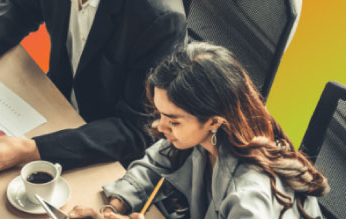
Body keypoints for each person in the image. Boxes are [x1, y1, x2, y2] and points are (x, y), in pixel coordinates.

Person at [68, 42, 330, 219]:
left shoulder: (249, 197)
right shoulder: (201, 137)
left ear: (214, 121)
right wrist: (112, 209)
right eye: (160, 114)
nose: (160, 127)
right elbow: (153, 167)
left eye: (173, 120)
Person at [0, 0, 186, 172]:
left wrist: (33, 151)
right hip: (54, 104)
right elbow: (20, 8)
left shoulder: (160, 18)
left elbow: (138, 130)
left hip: (103, 148)